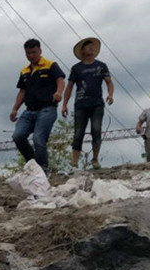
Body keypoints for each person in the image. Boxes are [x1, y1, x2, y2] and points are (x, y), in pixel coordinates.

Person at [10, 38, 66, 175]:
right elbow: (22, 91)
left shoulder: (50, 65)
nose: (31, 56)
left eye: (33, 52)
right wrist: (15, 109)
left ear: (40, 51)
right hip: (29, 110)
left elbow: (60, 79)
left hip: (47, 108)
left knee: (38, 138)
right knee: (18, 136)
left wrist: (59, 92)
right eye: (28, 53)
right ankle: (33, 165)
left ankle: (43, 169)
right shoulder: (24, 71)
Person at [62, 37, 114, 170]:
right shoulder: (76, 68)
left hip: (97, 104)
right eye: (88, 46)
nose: (91, 48)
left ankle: (95, 159)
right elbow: (69, 86)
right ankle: (74, 162)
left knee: (96, 130)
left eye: (92, 46)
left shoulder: (101, 66)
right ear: (82, 50)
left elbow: (109, 82)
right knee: (78, 133)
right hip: (81, 104)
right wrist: (64, 104)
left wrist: (110, 94)